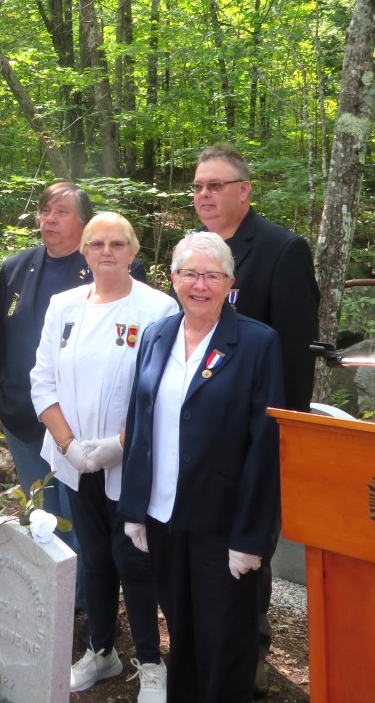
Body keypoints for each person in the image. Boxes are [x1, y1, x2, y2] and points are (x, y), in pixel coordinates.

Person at [119, 232, 284, 703]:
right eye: (190, 274)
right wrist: (135, 508)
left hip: (223, 526)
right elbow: (140, 423)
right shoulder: (156, 335)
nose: (200, 285)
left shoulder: (256, 343)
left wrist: (251, 538)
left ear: (230, 283)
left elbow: (265, 445)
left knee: (226, 642)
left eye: (212, 275)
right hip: (165, 516)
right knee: (183, 634)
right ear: (173, 279)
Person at [30, 213, 177, 701]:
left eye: (117, 243)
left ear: (134, 251)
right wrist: (70, 445)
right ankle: (100, 650)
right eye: (96, 244)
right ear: (84, 252)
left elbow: (157, 391)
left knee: (133, 558)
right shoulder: (62, 305)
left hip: (130, 458)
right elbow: (42, 380)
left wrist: (118, 445)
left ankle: (150, 661)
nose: (106, 252)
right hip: (74, 458)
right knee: (93, 559)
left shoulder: (157, 308)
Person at [191, 143, 319, 691]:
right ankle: (204, 656)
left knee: (245, 560)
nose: (204, 196)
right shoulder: (195, 253)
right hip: (196, 445)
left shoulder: (280, 251)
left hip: (251, 445)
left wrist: (272, 446)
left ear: (244, 191)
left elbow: (293, 365)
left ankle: (250, 664)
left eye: (215, 186)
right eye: (197, 187)